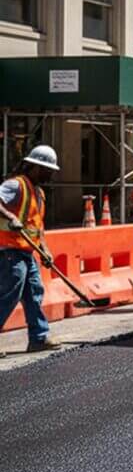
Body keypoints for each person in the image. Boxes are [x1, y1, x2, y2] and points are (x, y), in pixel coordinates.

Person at [0, 146, 63, 353]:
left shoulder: (39, 193)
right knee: (9, 294)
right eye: (47, 170)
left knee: (34, 292)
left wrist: (45, 250)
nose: (50, 174)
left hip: (27, 252)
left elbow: (37, 227)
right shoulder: (15, 185)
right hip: (9, 250)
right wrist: (10, 217)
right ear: (35, 167)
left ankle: (38, 337)